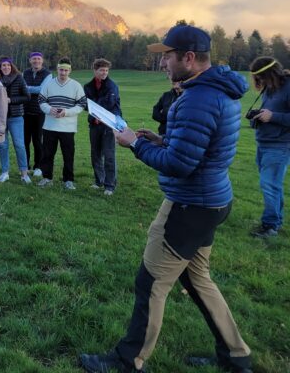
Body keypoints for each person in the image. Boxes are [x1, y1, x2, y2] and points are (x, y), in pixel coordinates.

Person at [80, 24, 252, 373]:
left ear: (189, 58)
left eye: (167, 56)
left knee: (151, 282)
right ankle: (236, 356)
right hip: (212, 201)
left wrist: (136, 144)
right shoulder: (215, 91)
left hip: (190, 206)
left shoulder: (199, 98)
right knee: (197, 278)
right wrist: (159, 140)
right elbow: (197, 150)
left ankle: (129, 360)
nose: (163, 64)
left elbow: (179, 165)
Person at [246, 56, 290, 238]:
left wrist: (272, 117)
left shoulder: (288, 87)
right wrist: (256, 118)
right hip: (263, 142)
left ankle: (270, 226)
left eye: (261, 77)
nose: (259, 82)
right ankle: (275, 222)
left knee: (269, 184)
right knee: (272, 185)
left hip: (280, 145)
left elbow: (275, 115)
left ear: (270, 73)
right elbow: (268, 112)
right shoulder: (269, 89)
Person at [38, 57, 86, 190]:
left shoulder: (76, 85)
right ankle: (47, 178)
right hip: (49, 125)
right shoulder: (49, 84)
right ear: (57, 69)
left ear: (69, 71)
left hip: (68, 127)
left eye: (65, 70)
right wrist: (50, 109)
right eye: (61, 70)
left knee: (68, 155)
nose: (63, 73)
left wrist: (66, 112)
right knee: (47, 154)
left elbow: (81, 104)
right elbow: (41, 101)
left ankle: (68, 180)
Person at [84, 58, 122, 196]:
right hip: (94, 125)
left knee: (109, 155)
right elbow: (85, 104)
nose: (104, 73)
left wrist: (94, 104)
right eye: (101, 70)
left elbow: (110, 103)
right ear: (95, 70)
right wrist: (92, 106)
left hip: (109, 125)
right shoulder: (88, 86)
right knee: (95, 154)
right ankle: (99, 181)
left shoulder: (112, 86)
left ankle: (110, 185)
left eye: (106, 70)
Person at [0, 57, 31, 184]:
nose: (6, 67)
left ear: (11, 66)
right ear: (0, 68)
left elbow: (27, 96)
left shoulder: (19, 78)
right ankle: (5, 172)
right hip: (1, 118)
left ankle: (24, 173)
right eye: (3, 65)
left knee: (19, 145)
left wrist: (11, 100)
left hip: (16, 117)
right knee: (3, 145)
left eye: (8, 65)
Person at [22, 51, 51, 178]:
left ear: (42, 60)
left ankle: (38, 166)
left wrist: (27, 88)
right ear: (30, 61)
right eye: (34, 59)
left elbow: (42, 90)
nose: (36, 61)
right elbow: (21, 88)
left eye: (38, 59)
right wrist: (29, 88)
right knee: (25, 141)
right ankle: (25, 166)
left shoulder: (48, 74)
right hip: (25, 111)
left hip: (40, 113)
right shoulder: (25, 73)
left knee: (38, 141)